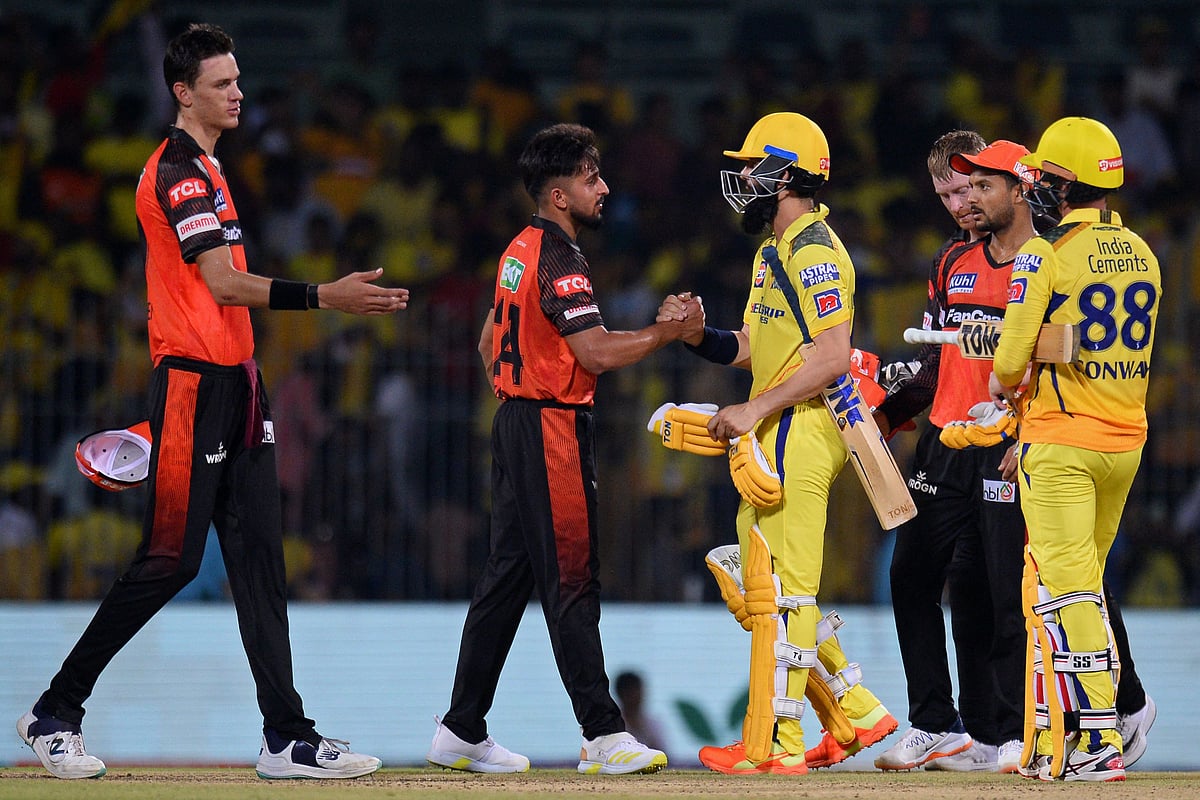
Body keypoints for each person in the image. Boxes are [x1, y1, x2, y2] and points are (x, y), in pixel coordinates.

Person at [16, 23, 409, 781]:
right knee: (169, 560)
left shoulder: (210, 169)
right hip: (193, 385)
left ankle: (286, 738)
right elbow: (223, 284)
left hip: (240, 384)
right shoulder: (178, 173)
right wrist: (325, 297)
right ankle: (53, 713)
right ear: (183, 92)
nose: (238, 93)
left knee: (260, 560)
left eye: (237, 79)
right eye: (222, 83)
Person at [425, 122, 696, 776]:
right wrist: (668, 331)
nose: (604, 188)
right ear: (558, 194)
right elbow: (595, 353)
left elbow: (488, 343)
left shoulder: (517, 250)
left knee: (506, 581)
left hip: (516, 421)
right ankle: (603, 733)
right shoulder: (561, 257)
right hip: (551, 428)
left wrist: (517, 396)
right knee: (572, 578)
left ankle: (461, 728)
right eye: (590, 178)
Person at [664, 112, 898, 775]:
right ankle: (857, 711)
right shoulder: (773, 251)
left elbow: (832, 357)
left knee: (785, 592)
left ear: (787, 176)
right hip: (777, 423)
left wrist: (755, 408)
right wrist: (698, 337)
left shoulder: (816, 251)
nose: (742, 179)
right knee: (761, 585)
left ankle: (780, 742)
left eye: (753, 168)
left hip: (804, 423)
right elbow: (753, 347)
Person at [990, 116, 1161, 782]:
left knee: (1070, 593)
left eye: (1043, 175)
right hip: (1126, 441)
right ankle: (1076, 734)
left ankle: (1097, 740)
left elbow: (1008, 364)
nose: (1034, 184)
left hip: (1063, 439)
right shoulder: (1143, 252)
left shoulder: (1044, 253)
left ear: (1065, 184)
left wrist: (1010, 374)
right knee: (1085, 585)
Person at [871, 134, 1034, 774]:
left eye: (969, 189)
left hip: (1004, 440)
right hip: (944, 441)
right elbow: (938, 359)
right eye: (946, 194)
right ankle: (937, 723)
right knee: (911, 576)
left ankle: (1010, 734)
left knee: (995, 591)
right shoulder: (949, 262)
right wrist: (888, 413)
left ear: (998, 185)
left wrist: (1028, 433)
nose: (960, 203)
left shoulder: (1039, 260)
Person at [614, 671, 670, 756]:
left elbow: (664, 754)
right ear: (621, 694)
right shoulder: (611, 724)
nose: (635, 697)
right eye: (630, 693)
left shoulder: (653, 724)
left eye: (638, 692)